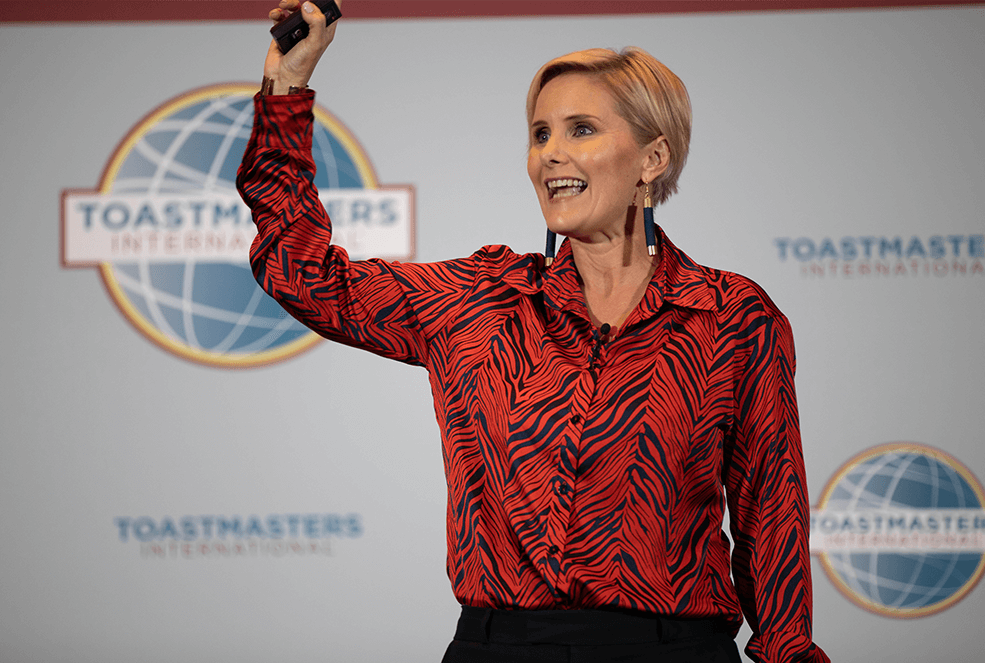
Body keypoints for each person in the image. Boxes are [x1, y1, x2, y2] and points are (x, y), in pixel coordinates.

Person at [237, 2, 830, 662]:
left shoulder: (733, 317)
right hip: (501, 646)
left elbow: (770, 516)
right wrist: (286, 89)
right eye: (540, 133)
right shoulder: (480, 300)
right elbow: (307, 275)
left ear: (653, 157)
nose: (551, 154)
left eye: (581, 130)